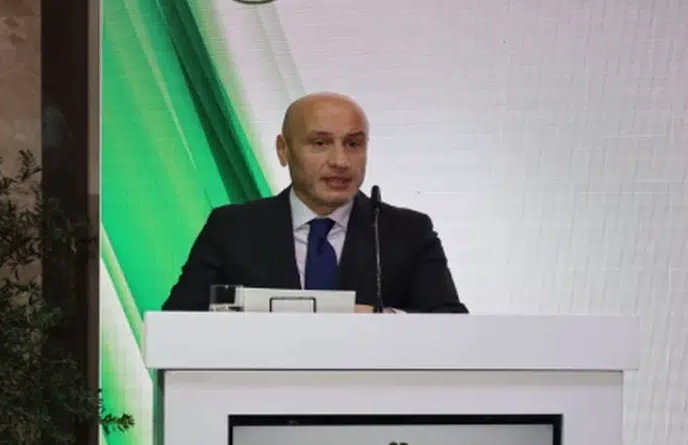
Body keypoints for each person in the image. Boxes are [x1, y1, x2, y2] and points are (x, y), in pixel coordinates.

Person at [161, 92, 468, 313]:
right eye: (320, 143)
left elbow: (450, 325)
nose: (341, 161)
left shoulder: (407, 231)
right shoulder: (232, 229)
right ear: (283, 150)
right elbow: (178, 322)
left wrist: (383, 320)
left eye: (353, 144)